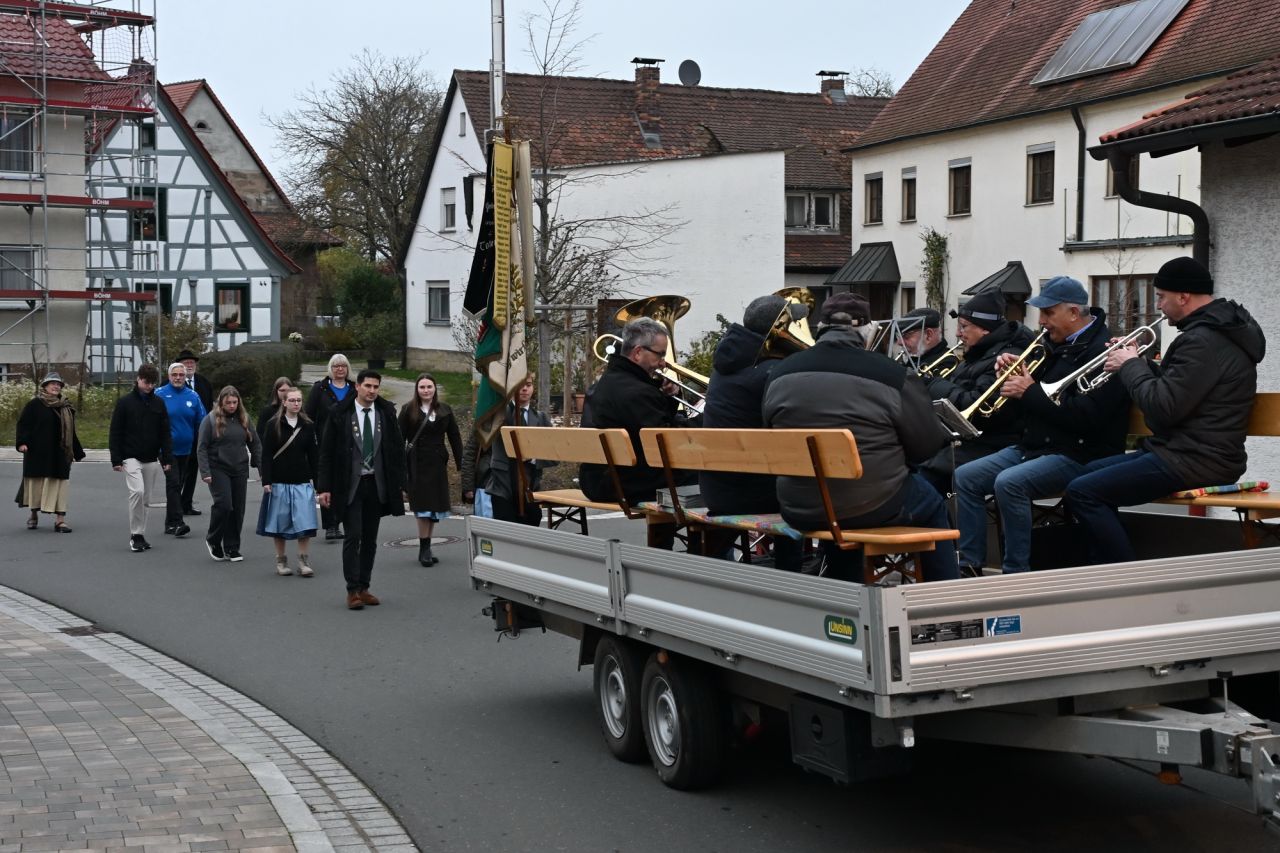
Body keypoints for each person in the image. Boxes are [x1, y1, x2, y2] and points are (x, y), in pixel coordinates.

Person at [1066, 257, 1267, 565]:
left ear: (1183, 297)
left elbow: (1163, 408)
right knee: (1084, 477)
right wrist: (1141, 362)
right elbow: (1184, 389)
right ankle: (1098, 568)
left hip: (1197, 459)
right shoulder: (1214, 333)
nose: (1158, 305)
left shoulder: (1203, 340)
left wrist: (1130, 365)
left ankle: (1124, 580)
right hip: (1190, 451)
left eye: (1161, 296)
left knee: (1084, 492)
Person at [762, 292, 959, 582]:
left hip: (799, 505)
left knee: (839, 495)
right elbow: (926, 447)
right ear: (868, 331)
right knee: (930, 500)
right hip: (870, 505)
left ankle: (847, 590)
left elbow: (769, 432)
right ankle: (942, 598)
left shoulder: (778, 374)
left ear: (821, 328)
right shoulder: (892, 375)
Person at [954, 276, 1129, 575]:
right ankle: (970, 566)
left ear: (1073, 313)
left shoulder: (1105, 352)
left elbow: (1086, 419)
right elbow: (1035, 399)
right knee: (964, 477)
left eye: (1048, 313)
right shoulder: (1052, 344)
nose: (1042, 322)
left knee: (1010, 483)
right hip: (1038, 445)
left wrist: (1029, 391)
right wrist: (1013, 369)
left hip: (1081, 452)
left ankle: (1017, 574)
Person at [698, 295, 803, 572]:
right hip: (751, 491)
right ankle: (793, 578)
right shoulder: (771, 372)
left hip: (717, 488)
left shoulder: (729, 364)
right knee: (810, 494)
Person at [578, 316, 696, 549]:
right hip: (619, 482)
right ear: (638, 352)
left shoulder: (610, 381)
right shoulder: (636, 391)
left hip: (602, 476)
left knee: (678, 478)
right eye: (660, 355)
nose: (663, 363)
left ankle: (663, 549)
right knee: (705, 480)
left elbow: (646, 423)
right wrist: (702, 421)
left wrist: (666, 398)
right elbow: (666, 442)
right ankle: (702, 554)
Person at [917, 293, 1035, 495]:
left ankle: (939, 525)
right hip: (968, 442)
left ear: (985, 329)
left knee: (921, 481)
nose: (957, 334)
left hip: (990, 443)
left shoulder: (1005, 358)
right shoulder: (978, 353)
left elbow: (979, 410)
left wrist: (935, 384)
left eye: (964, 327)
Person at [317, 370, 406, 610]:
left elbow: (397, 451)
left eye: (376, 387)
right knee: (353, 535)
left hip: (375, 485)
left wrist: (401, 483)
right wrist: (324, 487)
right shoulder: (340, 414)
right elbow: (325, 453)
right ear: (357, 386)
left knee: (370, 539)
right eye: (368, 386)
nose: (372, 391)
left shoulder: (386, 413)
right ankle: (352, 590)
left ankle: (365, 587)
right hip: (350, 485)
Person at [398, 372, 464, 566]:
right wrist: (398, 468)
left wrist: (461, 465)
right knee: (422, 508)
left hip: (437, 464)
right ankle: (424, 549)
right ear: (417, 390)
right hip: (417, 464)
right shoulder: (408, 409)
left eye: (429, 387)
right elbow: (398, 439)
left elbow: (455, 437)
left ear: (434, 389)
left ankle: (427, 547)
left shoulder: (445, 409)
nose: (426, 390)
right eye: (422, 387)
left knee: (433, 508)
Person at [109, 364, 173, 553]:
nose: (149, 386)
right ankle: (135, 534)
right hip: (130, 457)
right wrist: (116, 459)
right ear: (138, 379)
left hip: (152, 457)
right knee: (137, 491)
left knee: (146, 498)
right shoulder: (124, 403)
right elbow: (115, 431)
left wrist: (167, 458)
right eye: (146, 382)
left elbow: (165, 432)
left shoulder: (159, 403)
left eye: (152, 383)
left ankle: (140, 534)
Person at [257, 387, 319, 577]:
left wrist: (319, 483)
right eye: (292, 400)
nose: (296, 403)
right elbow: (266, 455)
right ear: (284, 402)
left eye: (299, 400)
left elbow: (313, 456)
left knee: (305, 522)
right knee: (279, 523)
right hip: (279, 481)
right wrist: (266, 480)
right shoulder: (273, 424)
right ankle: (281, 560)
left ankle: (303, 560)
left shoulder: (308, 425)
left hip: (301, 481)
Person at [197, 386, 261, 563]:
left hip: (239, 468)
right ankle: (214, 540)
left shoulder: (244, 419)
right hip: (218, 468)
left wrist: (262, 469)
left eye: (234, 402)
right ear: (221, 403)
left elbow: (255, 444)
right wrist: (205, 471)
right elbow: (201, 447)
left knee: (238, 509)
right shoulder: (210, 420)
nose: (232, 406)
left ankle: (232, 547)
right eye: (228, 403)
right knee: (224, 505)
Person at [16, 372, 85, 532]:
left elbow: (71, 432)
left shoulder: (66, 407)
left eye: (58, 384)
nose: (56, 386)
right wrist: (22, 443)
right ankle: (33, 514)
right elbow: (24, 425)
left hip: (60, 453)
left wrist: (76, 451)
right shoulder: (34, 405)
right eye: (52, 383)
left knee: (60, 485)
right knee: (36, 485)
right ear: (45, 386)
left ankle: (60, 521)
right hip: (37, 452)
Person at [306, 353, 354, 541]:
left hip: (349, 444)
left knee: (346, 483)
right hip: (324, 443)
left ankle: (344, 521)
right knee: (326, 484)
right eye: (336, 366)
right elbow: (309, 415)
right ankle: (330, 525)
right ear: (330, 369)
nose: (340, 369)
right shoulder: (320, 389)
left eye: (343, 366)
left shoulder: (353, 390)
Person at [155, 362, 206, 538]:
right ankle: (177, 522)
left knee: (178, 485)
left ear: (186, 377)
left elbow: (202, 422)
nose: (178, 378)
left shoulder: (193, 396)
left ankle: (170, 523)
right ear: (169, 376)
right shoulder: (159, 394)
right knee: (174, 483)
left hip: (187, 449)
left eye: (181, 375)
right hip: (166, 450)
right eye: (174, 375)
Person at [176, 349, 213, 517]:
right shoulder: (171, 384)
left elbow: (210, 410)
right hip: (179, 436)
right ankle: (175, 506)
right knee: (178, 475)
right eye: (186, 363)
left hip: (199, 436)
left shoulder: (204, 383)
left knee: (192, 472)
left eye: (192, 363)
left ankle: (187, 503)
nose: (189, 365)